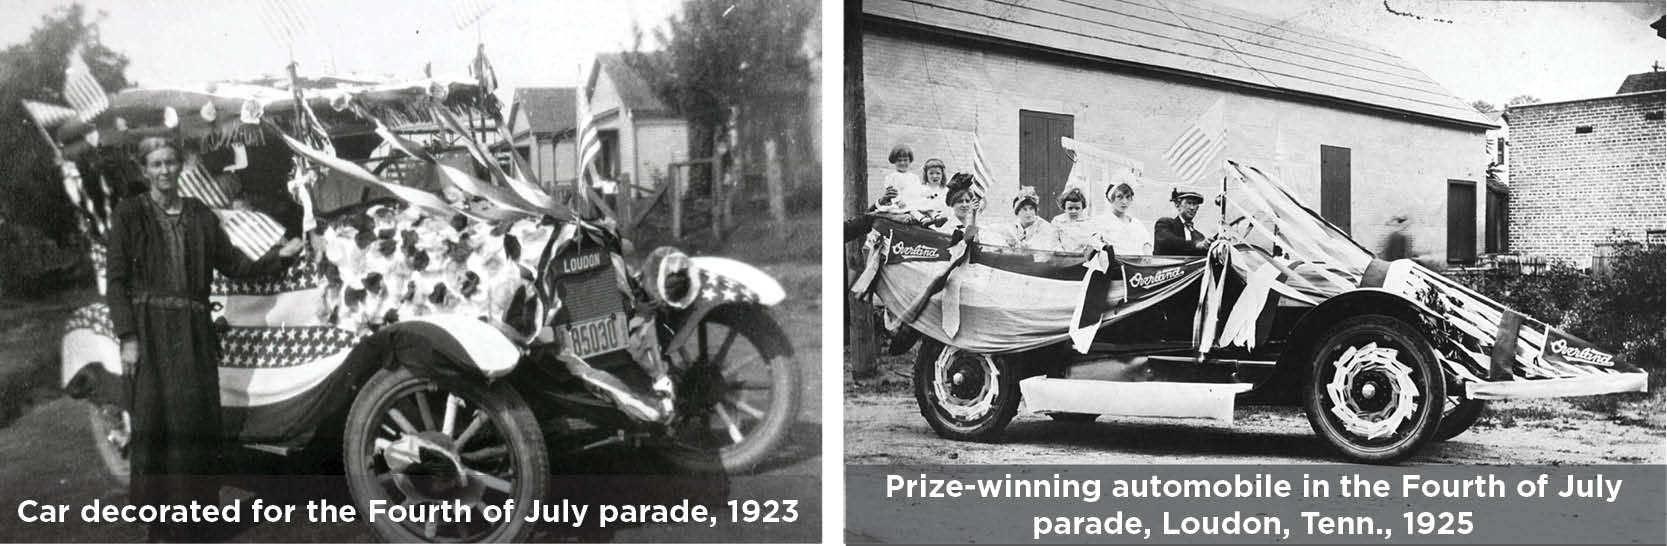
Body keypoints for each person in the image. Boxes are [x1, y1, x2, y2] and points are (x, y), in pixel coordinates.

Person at [106, 137, 305, 542]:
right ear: (145, 171)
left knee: (196, 422)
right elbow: (116, 281)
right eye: (156, 164)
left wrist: (278, 258)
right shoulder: (130, 214)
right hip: (151, 330)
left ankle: (196, 516)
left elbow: (232, 264)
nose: (165, 171)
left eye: (171, 163)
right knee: (157, 420)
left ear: (181, 168)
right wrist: (128, 336)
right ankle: (161, 523)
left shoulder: (199, 215)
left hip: (194, 333)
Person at [999, 186, 1062, 250]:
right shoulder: (1014, 226)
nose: (1028, 213)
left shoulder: (1045, 227)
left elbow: (1046, 249)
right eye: (1024, 209)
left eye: (1031, 209)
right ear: (1017, 212)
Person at [1098, 183, 1152, 255]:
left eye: (1128, 197)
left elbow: (1146, 244)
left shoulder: (1137, 223)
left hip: (1138, 263)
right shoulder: (1101, 222)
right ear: (1111, 199)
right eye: (1120, 197)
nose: (1124, 201)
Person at [1153, 188, 1211, 256]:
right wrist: (1195, 245)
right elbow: (1166, 241)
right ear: (1178, 205)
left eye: (1194, 204)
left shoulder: (1199, 237)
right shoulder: (1165, 224)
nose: (1192, 208)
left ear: (1197, 208)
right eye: (1188, 203)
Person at [1051, 186, 1098, 253]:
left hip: (1083, 257)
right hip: (1063, 256)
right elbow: (1054, 242)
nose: (1074, 211)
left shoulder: (1089, 222)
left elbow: (1093, 242)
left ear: (1082, 208)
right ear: (1064, 208)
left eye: (1077, 208)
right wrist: (1062, 253)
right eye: (1070, 208)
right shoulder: (1058, 221)